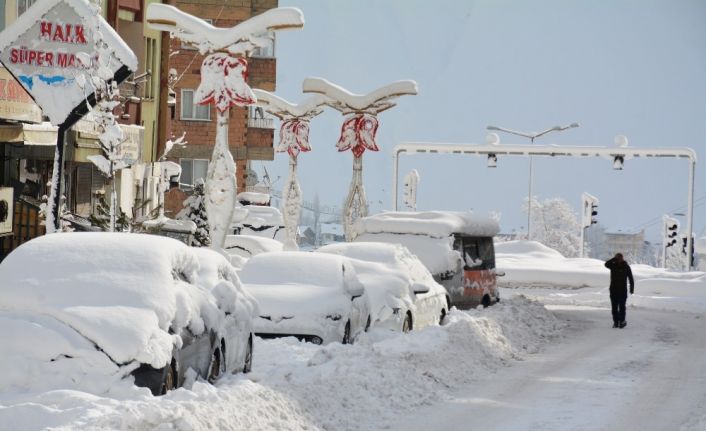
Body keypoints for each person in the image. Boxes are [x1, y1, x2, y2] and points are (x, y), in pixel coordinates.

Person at [604, 253, 635, 328]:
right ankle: (616, 322)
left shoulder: (626, 267)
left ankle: (621, 322)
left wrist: (631, 288)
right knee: (614, 308)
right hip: (613, 291)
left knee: (622, 307)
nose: (619, 260)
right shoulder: (613, 266)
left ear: (623, 258)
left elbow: (631, 278)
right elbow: (606, 264)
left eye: (620, 258)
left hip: (622, 291)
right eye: (618, 258)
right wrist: (614, 259)